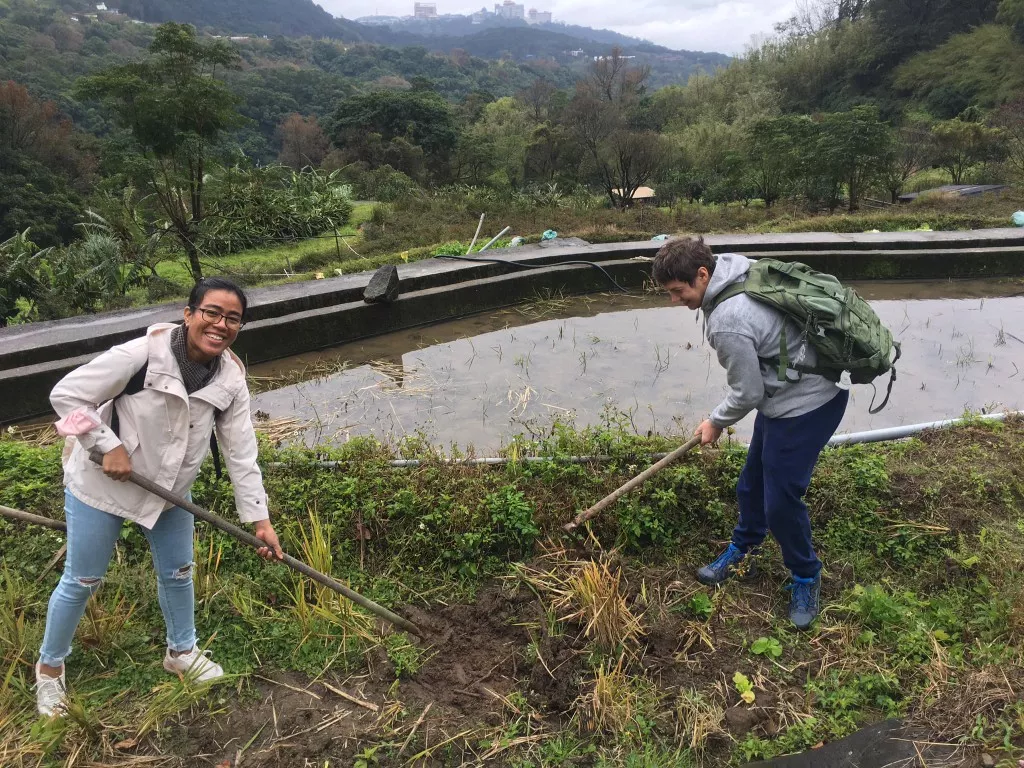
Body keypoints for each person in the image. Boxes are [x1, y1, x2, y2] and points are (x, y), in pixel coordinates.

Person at [36, 277, 284, 717]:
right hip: (102, 485)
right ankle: (49, 670)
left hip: (170, 491)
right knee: (83, 579)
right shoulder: (140, 356)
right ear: (188, 314)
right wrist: (106, 444)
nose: (220, 324)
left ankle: (181, 652)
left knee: (179, 572)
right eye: (211, 312)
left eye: (232, 318)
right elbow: (67, 395)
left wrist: (259, 520)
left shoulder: (230, 378)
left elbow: (241, 452)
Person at [652, 237, 848, 630]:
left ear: (702, 274)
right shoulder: (737, 269)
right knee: (751, 484)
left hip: (806, 405)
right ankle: (744, 548)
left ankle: (806, 575)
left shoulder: (728, 319)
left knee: (781, 503)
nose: (675, 300)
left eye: (678, 291)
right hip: (784, 397)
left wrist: (715, 421)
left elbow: (747, 392)